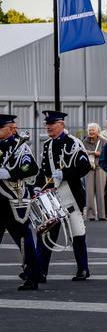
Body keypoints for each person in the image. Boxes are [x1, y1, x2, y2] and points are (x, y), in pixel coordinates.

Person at [36, 110, 91, 281]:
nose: (48, 127)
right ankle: (40, 270)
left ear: (61, 124)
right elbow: (44, 170)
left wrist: (65, 173)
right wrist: (38, 185)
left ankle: (83, 268)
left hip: (71, 193)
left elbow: (85, 167)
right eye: (47, 124)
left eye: (52, 124)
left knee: (77, 231)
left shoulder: (73, 143)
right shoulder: (47, 145)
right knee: (46, 231)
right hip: (52, 194)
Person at [0, 114, 43, 290]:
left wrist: (10, 173)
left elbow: (30, 167)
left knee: (24, 240)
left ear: (10, 129)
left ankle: (32, 275)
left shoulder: (20, 147)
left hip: (13, 200)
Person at [82, 123, 107, 222]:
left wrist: (95, 153)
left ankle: (102, 215)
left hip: (100, 167)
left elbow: (106, 154)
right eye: (90, 130)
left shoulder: (103, 141)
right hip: (88, 168)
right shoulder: (84, 141)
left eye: (93, 130)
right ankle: (90, 215)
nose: (91, 132)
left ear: (98, 131)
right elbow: (81, 152)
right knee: (89, 192)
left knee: (101, 192)